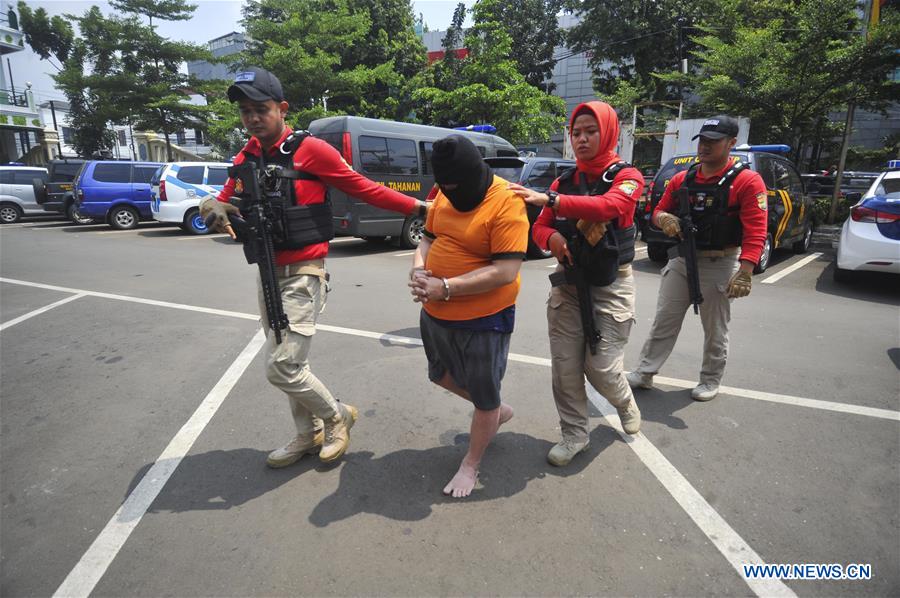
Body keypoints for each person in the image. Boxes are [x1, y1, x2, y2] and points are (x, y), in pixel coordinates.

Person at [200, 67, 428, 467]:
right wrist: (212, 207)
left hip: (305, 273)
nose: (252, 118)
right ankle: (307, 435)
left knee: (282, 367)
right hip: (267, 272)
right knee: (290, 364)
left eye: (261, 109)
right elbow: (224, 198)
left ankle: (337, 417)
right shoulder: (246, 156)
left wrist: (421, 208)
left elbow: (363, 187)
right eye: (245, 111)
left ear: (282, 108)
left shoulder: (312, 150)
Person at [509, 101, 643, 467]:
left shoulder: (627, 176)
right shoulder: (564, 181)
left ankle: (624, 400)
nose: (581, 139)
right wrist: (552, 239)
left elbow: (608, 206)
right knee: (565, 367)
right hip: (568, 286)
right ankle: (574, 435)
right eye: (576, 132)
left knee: (601, 368)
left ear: (608, 131)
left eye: (590, 131)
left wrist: (551, 200)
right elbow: (539, 228)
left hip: (611, 287)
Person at [409, 135, 528, 498]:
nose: (450, 192)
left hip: (484, 320)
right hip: (436, 314)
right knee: (440, 375)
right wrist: (418, 269)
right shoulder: (445, 192)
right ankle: (494, 409)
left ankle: (471, 463)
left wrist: (445, 286)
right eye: (445, 186)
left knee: (483, 395)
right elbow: (428, 238)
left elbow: (505, 271)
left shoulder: (506, 202)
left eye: (457, 186)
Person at [626, 115, 767, 402]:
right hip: (682, 260)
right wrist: (663, 217)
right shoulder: (682, 178)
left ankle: (710, 379)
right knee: (664, 319)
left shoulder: (746, 181)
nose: (705, 147)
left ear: (731, 143)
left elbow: (756, 228)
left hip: (720, 261)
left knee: (715, 327)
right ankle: (645, 371)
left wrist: (746, 270)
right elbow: (657, 210)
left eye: (713, 142)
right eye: (702, 141)